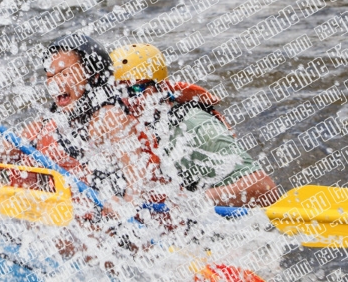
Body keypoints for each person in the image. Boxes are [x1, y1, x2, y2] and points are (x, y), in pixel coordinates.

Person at [109, 43, 278, 208]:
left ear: (159, 88)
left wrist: (194, 201)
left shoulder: (194, 126)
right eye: (118, 92)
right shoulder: (113, 125)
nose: (125, 101)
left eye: (135, 90)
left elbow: (265, 188)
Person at [22, 34, 165, 211]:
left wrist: (123, 208)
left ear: (94, 76)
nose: (55, 84)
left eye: (64, 73)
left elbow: (137, 180)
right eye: (50, 76)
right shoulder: (43, 125)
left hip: (102, 224)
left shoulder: (109, 118)